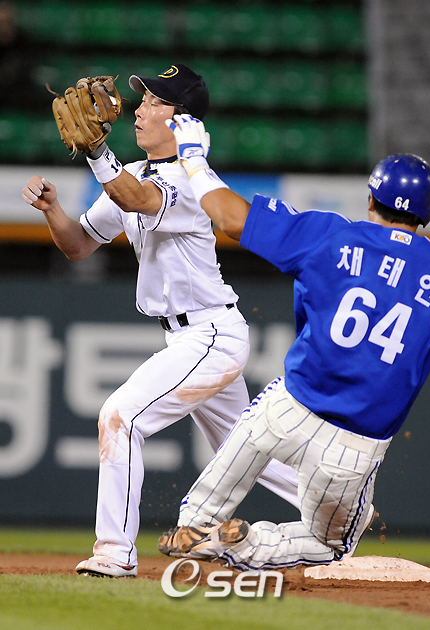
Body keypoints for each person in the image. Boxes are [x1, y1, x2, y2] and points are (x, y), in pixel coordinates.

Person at [157, 115, 430, 571]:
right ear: (428, 214)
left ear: (371, 200)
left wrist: (192, 158)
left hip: (285, 409)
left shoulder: (331, 234)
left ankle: (198, 522)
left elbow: (230, 218)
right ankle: (244, 545)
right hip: (353, 445)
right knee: (331, 547)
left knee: (228, 471)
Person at [22, 64, 299, 578]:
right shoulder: (134, 172)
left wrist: (97, 153)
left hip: (210, 335)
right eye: (144, 99)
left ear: (182, 120)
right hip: (193, 337)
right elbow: (79, 245)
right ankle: (338, 509)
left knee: (120, 417)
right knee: (245, 449)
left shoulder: (191, 179)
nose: (140, 109)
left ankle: (114, 552)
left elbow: (138, 199)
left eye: (155, 101)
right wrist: (52, 209)